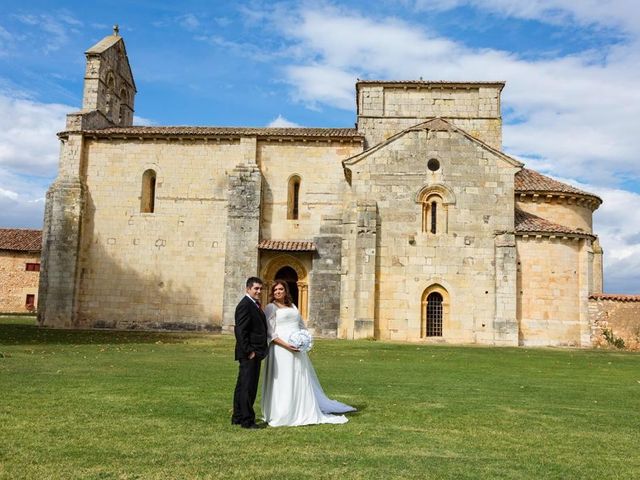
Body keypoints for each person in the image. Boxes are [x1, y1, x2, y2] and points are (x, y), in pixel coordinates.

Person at [261, 280, 356, 427]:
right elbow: (270, 333)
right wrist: (287, 345)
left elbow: (300, 325)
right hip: (281, 348)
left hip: (297, 348)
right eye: (275, 290)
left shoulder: (292, 306)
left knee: (299, 376)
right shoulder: (270, 308)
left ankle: (301, 409)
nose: (278, 292)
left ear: (285, 291)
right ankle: (283, 412)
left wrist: (304, 340)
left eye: (280, 289)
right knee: (284, 379)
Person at [232, 277, 268, 429]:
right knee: (248, 387)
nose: (259, 291)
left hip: (253, 351)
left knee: (242, 386)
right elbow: (240, 330)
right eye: (256, 289)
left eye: (260, 288)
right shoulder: (245, 305)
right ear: (248, 289)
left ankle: (238, 417)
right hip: (250, 353)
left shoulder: (253, 304)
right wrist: (249, 351)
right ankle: (247, 421)